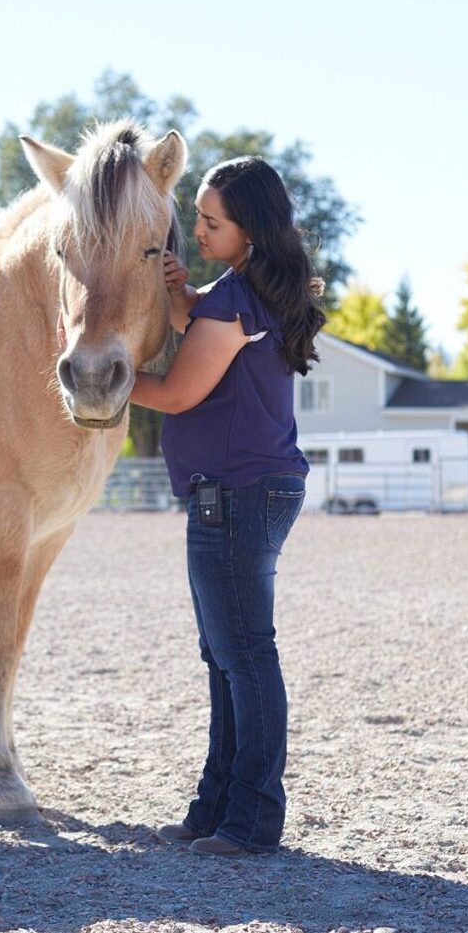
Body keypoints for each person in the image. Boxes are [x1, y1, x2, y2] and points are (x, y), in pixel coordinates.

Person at [127, 155, 327, 856]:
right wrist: (181, 294)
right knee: (227, 656)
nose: (198, 231)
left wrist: (105, 379)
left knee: (242, 655)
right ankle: (216, 809)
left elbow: (178, 392)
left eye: (211, 222)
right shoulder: (245, 290)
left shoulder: (238, 300)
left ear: (249, 229)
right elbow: (199, 319)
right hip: (244, 489)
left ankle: (251, 819)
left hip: (236, 493)